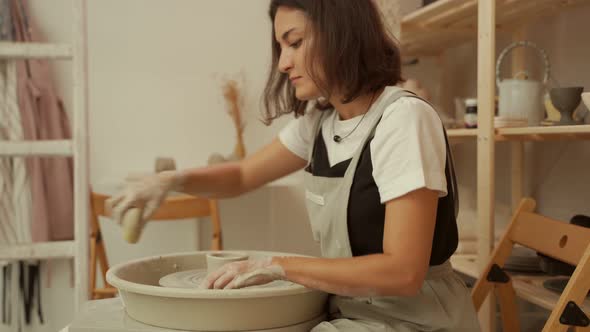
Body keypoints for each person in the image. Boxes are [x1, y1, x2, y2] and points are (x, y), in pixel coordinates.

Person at [107, 0, 481, 330]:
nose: (284, 63)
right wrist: (170, 180)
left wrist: (278, 265)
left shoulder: (402, 120)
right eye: (280, 47)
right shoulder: (321, 123)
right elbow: (240, 175)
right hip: (351, 311)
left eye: (295, 42)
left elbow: (403, 272)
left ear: (341, 34)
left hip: (416, 320)